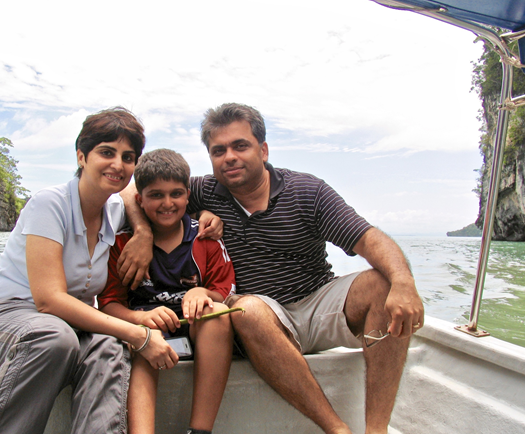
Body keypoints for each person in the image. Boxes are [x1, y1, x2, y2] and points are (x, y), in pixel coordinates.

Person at [118, 103, 425, 434]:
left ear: (262, 150)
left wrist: (403, 282)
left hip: (315, 300)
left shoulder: (306, 191)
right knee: (246, 309)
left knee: (383, 284)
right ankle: (337, 429)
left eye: (240, 146)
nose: (229, 157)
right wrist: (143, 232)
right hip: (260, 316)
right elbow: (132, 187)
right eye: (218, 151)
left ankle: (376, 430)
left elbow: (368, 238)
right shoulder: (203, 191)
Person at [0, 107, 178, 434]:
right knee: (56, 338)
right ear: (81, 156)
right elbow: (49, 301)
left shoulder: (114, 209)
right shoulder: (49, 204)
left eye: (128, 156)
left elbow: (137, 195)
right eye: (106, 152)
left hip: (66, 326)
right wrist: (138, 333)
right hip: (2, 320)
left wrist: (143, 233)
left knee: (108, 346)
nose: (118, 164)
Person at [98, 148, 236, 434]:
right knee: (145, 339)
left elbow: (225, 290)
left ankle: (199, 430)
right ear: (140, 199)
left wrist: (203, 294)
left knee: (218, 314)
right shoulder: (124, 244)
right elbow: (109, 303)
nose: (167, 203)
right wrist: (139, 320)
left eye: (176, 194)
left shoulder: (205, 239)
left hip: (194, 331)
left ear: (188, 195)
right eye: (156, 195)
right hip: (146, 332)